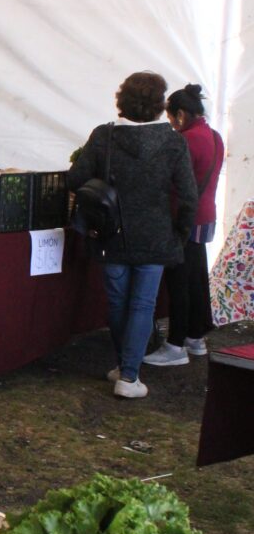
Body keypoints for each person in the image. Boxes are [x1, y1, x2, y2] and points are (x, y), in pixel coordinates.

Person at [67, 71, 197, 398]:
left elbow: (75, 180)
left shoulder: (103, 136)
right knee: (142, 305)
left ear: (122, 99)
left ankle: (123, 367)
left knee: (117, 302)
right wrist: (179, 234)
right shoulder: (173, 141)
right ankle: (129, 375)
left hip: (111, 233)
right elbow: (188, 197)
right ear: (159, 105)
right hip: (155, 235)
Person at [142, 84, 224, 367]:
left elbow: (171, 182)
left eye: (170, 118)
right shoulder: (214, 136)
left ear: (180, 114)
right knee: (197, 277)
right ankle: (196, 337)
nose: (170, 125)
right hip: (205, 216)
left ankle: (175, 344)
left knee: (180, 282)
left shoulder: (185, 140)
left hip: (183, 219)